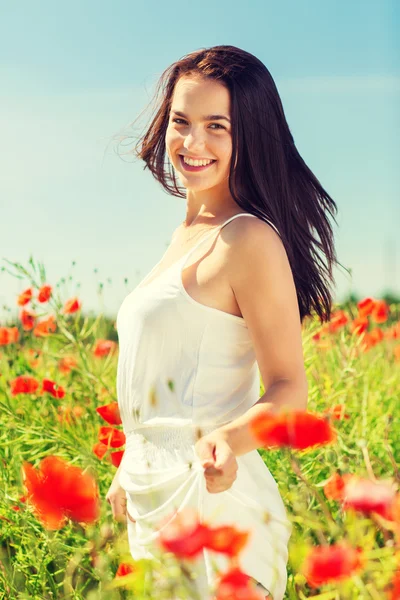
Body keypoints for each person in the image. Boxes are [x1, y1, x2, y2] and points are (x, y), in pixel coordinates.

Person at [106, 45, 339, 600]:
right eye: (182, 122)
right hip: (153, 496)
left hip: (215, 501)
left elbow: (289, 388)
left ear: (249, 136)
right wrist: (130, 463)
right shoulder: (183, 237)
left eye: (218, 126)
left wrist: (229, 443)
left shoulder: (247, 239)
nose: (194, 143)